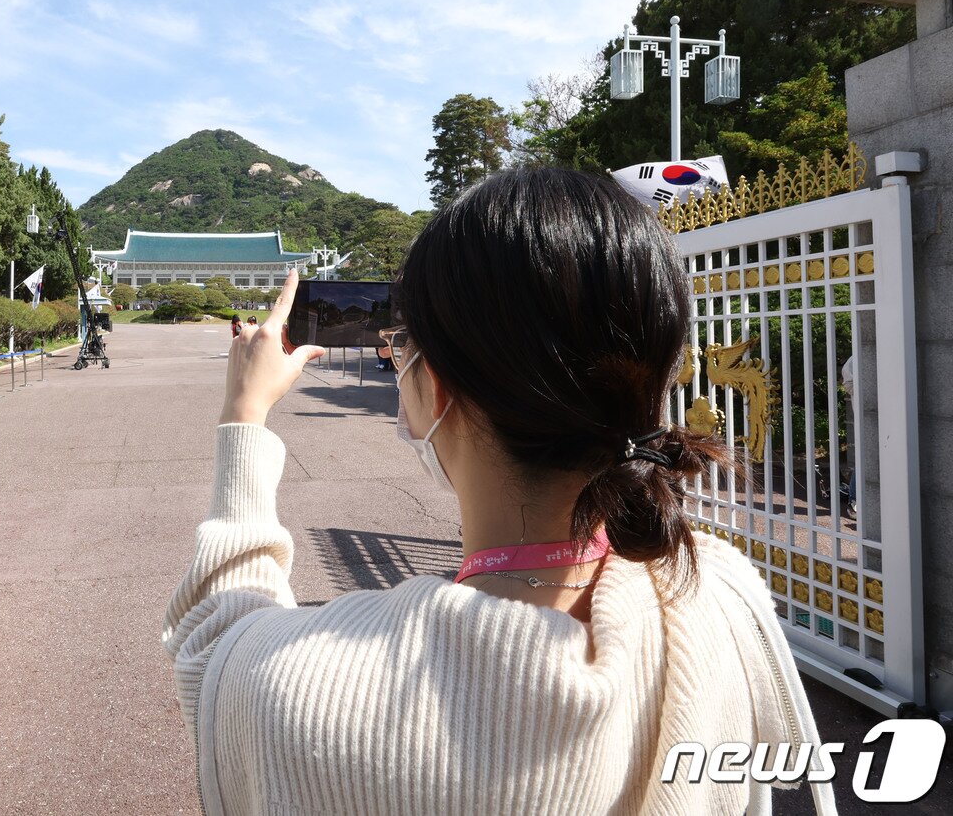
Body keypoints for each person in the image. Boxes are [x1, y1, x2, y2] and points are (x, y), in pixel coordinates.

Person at [162, 169, 834, 815]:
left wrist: (243, 415)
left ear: (441, 390)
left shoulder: (314, 688)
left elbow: (214, 649)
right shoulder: (717, 593)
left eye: (403, 345)